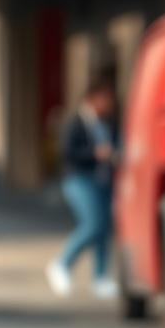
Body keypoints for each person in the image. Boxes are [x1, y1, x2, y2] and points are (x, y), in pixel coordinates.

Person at [46, 79, 119, 299]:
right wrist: (95, 153)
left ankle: (101, 277)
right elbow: (67, 152)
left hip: (102, 180)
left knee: (103, 229)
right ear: (93, 98)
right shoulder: (75, 121)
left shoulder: (107, 122)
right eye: (105, 98)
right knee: (93, 224)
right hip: (79, 179)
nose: (109, 103)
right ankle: (62, 263)